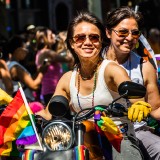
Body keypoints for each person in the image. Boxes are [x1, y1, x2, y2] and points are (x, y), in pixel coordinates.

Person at [42, 12, 151, 160]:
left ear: (100, 42)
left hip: (119, 138)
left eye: (94, 37)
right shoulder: (67, 78)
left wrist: (138, 104)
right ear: (72, 43)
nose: (87, 42)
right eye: (80, 37)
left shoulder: (111, 69)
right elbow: (48, 113)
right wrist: (26, 118)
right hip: (84, 140)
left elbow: (136, 97)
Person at [104, 6, 160, 159]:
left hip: (136, 131)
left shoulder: (144, 66)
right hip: (98, 131)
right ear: (108, 32)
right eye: (122, 32)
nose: (129, 38)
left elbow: (155, 109)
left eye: (135, 33)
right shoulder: (94, 62)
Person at [35, 27, 73, 105]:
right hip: (52, 92)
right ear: (43, 39)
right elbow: (68, 59)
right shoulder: (47, 52)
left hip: (50, 91)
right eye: (50, 35)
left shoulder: (42, 52)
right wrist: (65, 41)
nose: (53, 35)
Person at [7, 34, 46, 102]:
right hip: (25, 105)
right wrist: (41, 72)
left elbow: (28, 80)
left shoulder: (10, 64)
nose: (27, 52)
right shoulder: (16, 68)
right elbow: (34, 86)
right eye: (24, 49)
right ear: (18, 50)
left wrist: (38, 72)